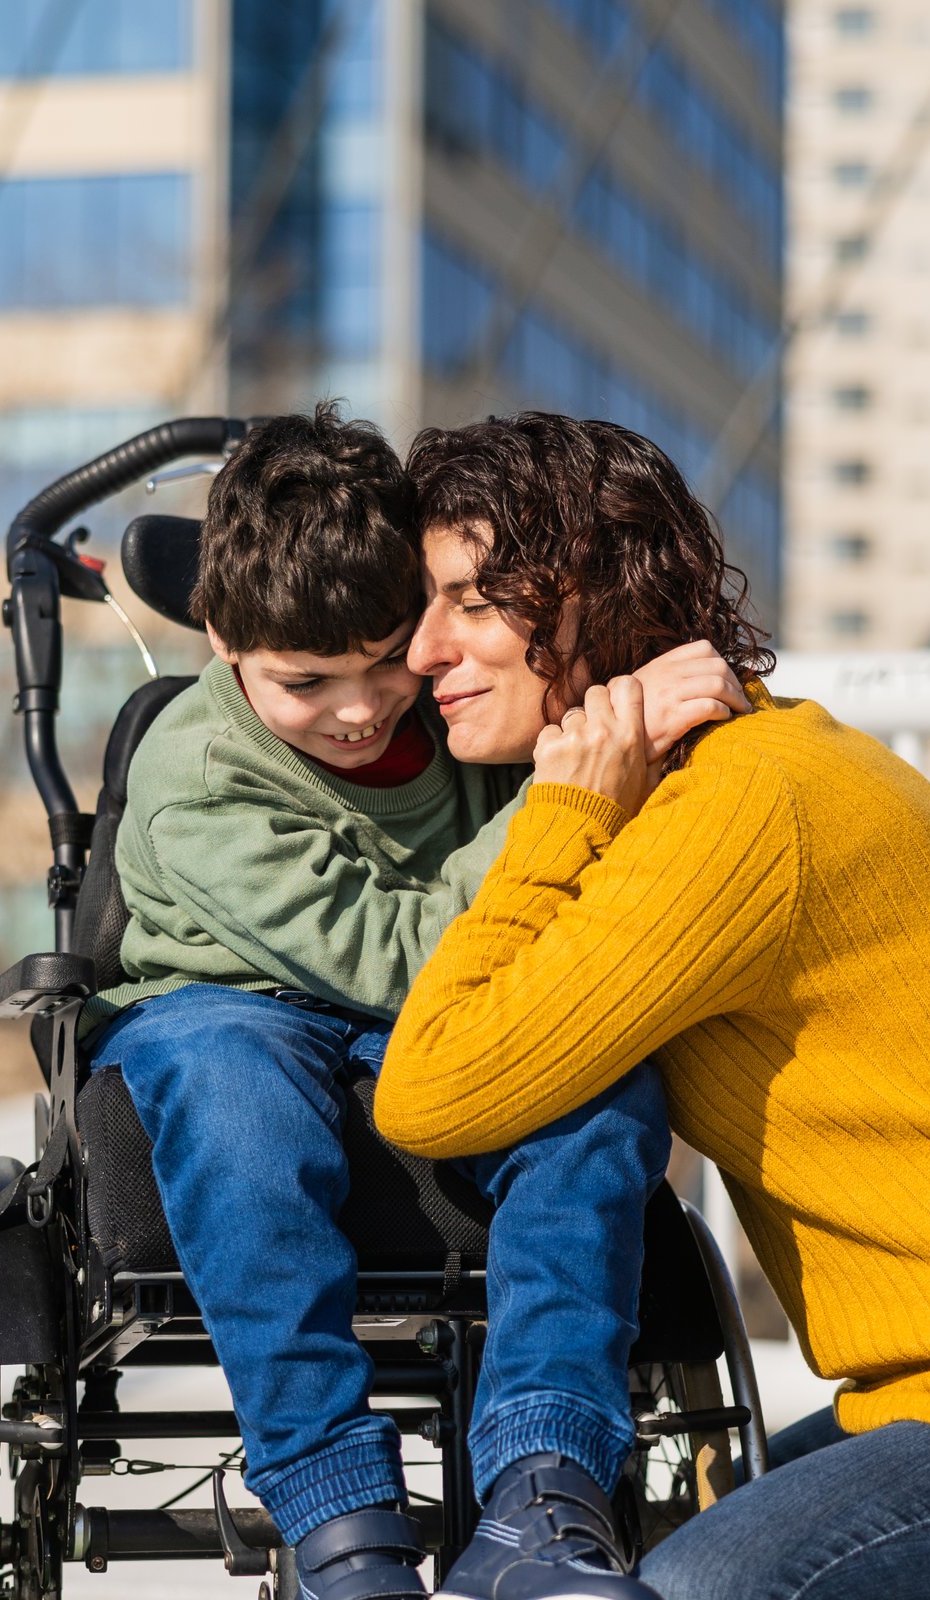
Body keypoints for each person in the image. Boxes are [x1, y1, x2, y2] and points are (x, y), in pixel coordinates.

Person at [375, 412, 930, 1600]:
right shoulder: (716, 778)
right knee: (618, 1567)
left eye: (471, 603)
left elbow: (434, 1084)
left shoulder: (744, 805)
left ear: (592, 592)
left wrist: (563, 807)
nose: (422, 650)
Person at [83, 405, 746, 1600]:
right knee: (234, 1100)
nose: (358, 707)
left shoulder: (457, 712)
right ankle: (340, 1512)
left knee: (594, 1090)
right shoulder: (191, 776)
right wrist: (555, 797)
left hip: (423, 1028)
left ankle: (544, 1488)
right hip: (229, 1005)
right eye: (305, 681)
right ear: (224, 640)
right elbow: (397, 949)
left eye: (388, 655)